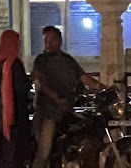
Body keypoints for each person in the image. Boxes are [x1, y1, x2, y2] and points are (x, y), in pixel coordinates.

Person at [30, 26, 99, 168]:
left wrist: (105, 89)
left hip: (67, 110)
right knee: (44, 151)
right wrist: (57, 98)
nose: (48, 44)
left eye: (52, 40)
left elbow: (84, 78)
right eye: (46, 41)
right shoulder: (41, 60)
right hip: (48, 111)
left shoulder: (68, 61)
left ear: (60, 41)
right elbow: (41, 83)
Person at [0, 30, 32, 168]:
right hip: (12, 116)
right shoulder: (14, 64)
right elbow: (20, 89)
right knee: (12, 153)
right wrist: (30, 80)